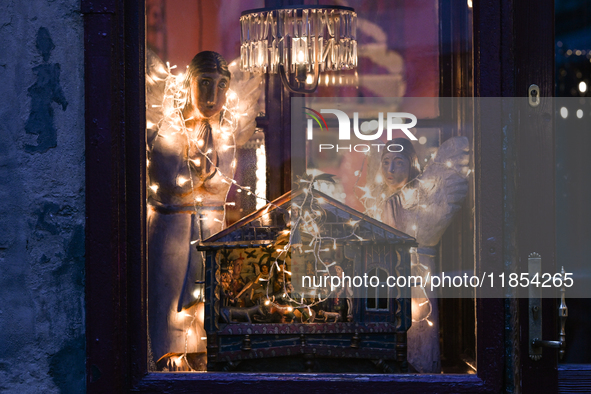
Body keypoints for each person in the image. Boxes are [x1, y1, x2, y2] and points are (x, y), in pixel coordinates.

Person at [146, 51, 261, 365]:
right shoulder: (166, 126)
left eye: (221, 85)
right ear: (189, 83)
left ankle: (206, 359)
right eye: (205, 83)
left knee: (209, 304)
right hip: (170, 227)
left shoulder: (227, 133)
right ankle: (165, 360)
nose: (212, 95)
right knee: (166, 299)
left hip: (212, 228)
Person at [372, 136, 469, 373]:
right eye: (385, 162)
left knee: (417, 333)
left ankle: (421, 370)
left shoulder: (411, 200)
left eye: (398, 163)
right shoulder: (388, 200)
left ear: (411, 164)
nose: (390, 170)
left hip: (415, 274)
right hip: (392, 277)